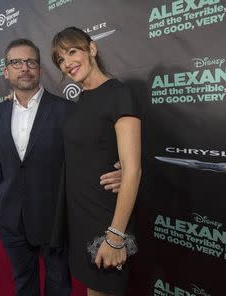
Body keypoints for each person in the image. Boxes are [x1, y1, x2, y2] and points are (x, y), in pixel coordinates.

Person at [0, 39, 122, 296]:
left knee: (58, 284)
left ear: (39, 69)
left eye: (31, 62)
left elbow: (91, 153)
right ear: (6, 71)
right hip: (10, 218)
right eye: (16, 62)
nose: (24, 67)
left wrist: (122, 168)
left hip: (55, 219)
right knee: (22, 282)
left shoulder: (66, 110)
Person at [51, 27, 142, 296]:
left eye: (72, 51)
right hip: (80, 215)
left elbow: (133, 169)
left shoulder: (118, 93)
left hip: (106, 218)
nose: (67, 63)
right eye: (60, 59)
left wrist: (115, 236)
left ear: (92, 49)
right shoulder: (80, 101)